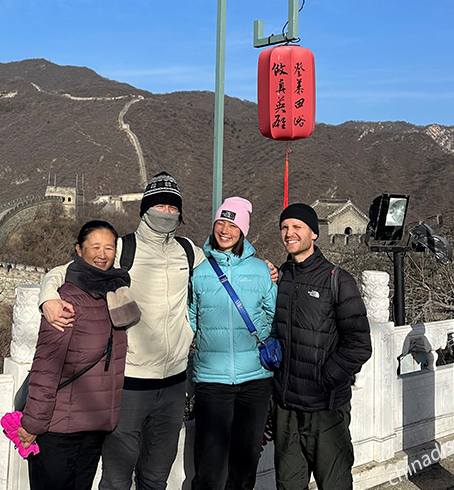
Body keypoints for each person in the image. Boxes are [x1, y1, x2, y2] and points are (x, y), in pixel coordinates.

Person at [37, 172, 206, 490]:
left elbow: (222, 270)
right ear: (145, 209)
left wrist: (268, 271)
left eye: (173, 208)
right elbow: (65, 271)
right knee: (116, 478)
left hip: (173, 384)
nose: (166, 213)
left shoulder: (187, 251)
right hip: (128, 383)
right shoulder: (123, 249)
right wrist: (47, 297)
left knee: (156, 476)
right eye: (160, 206)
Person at [17, 220, 140, 490]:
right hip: (59, 428)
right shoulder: (66, 300)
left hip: (94, 427)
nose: (102, 254)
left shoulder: (115, 294)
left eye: (109, 247)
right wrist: (32, 423)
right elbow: (46, 368)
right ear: (79, 250)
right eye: (94, 247)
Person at [272, 203, 372, 490]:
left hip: (325, 409)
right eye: (284, 227)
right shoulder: (283, 276)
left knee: (335, 484)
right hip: (286, 408)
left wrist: (325, 378)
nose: (289, 233)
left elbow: (359, 344)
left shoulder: (338, 280)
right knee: (289, 484)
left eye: (297, 227)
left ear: (314, 233)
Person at [187, 197, 277, 490]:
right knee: (210, 468)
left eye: (232, 224)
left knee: (245, 463)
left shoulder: (261, 271)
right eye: (220, 223)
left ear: (243, 230)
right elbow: (191, 319)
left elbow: (273, 315)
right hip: (212, 381)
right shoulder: (199, 272)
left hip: (256, 380)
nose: (225, 230)